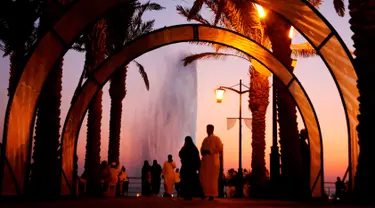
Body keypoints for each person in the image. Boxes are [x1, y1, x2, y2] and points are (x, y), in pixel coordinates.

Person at [200, 124, 223, 201]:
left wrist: (210, 151)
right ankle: (205, 193)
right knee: (205, 178)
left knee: (212, 179)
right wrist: (203, 152)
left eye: (209, 129)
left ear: (212, 129)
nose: (207, 130)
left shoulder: (216, 138)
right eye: (207, 129)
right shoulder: (205, 139)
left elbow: (220, 148)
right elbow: (201, 149)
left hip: (213, 162)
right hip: (205, 162)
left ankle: (212, 195)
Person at [179, 136, 201, 200]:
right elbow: (197, 158)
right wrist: (197, 167)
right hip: (191, 168)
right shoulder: (194, 148)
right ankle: (190, 195)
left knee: (186, 182)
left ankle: (186, 195)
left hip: (186, 168)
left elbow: (180, 154)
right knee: (191, 182)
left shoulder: (185, 148)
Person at [299, 129, 310, 198]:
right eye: (305, 135)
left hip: (304, 162)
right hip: (304, 163)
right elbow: (305, 152)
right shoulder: (301, 142)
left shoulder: (301, 142)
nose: (306, 136)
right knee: (305, 177)